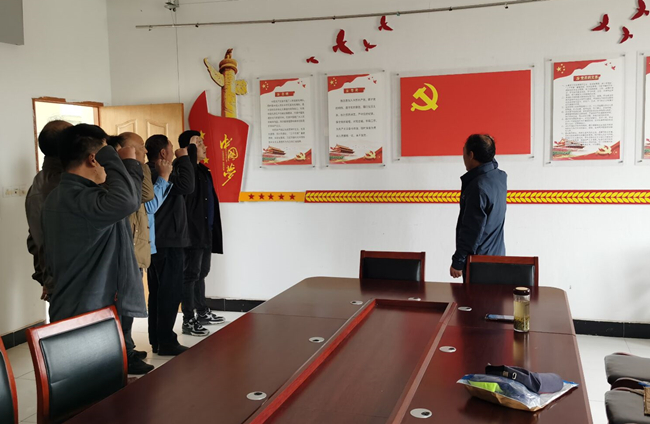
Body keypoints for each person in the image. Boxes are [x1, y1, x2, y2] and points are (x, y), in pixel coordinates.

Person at [42, 125, 147, 363]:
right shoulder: (83, 200)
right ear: (94, 159)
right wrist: (125, 162)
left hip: (74, 303)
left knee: (90, 379)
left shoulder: (58, 196)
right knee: (95, 380)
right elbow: (128, 201)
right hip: (88, 311)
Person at [107, 132, 172, 374]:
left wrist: (137, 164)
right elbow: (145, 198)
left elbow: (146, 196)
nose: (145, 151)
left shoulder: (133, 170)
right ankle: (124, 352)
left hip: (136, 246)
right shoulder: (119, 173)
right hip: (127, 250)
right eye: (139, 147)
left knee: (129, 305)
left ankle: (128, 348)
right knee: (124, 306)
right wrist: (133, 164)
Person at [145, 134, 194, 356]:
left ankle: (157, 340)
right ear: (164, 152)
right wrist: (183, 158)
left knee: (158, 292)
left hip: (160, 240)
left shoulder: (152, 171)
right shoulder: (159, 172)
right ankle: (166, 341)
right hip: (168, 241)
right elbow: (187, 185)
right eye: (171, 148)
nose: (174, 151)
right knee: (169, 292)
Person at [178, 131, 225, 337]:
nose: (204, 147)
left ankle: (202, 311)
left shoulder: (203, 171)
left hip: (206, 231)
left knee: (202, 272)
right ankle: (188, 319)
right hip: (192, 233)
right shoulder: (185, 170)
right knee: (190, 275)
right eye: (198, 143)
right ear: (187, 148)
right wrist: (188, 154)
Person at [26, 120, 72, 303]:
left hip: (58, 279)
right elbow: (44, 240)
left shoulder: (41, 180)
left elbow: (34, 239)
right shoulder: (62, 185)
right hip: (68, 281)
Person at [450, 134, 507, 279]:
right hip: (497, 255)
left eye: (464, 151)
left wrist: (458, 261)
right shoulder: (499, 177)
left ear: (471, 155)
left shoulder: (478, 187)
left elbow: (472, 229)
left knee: (476, 295)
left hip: (479, 263)